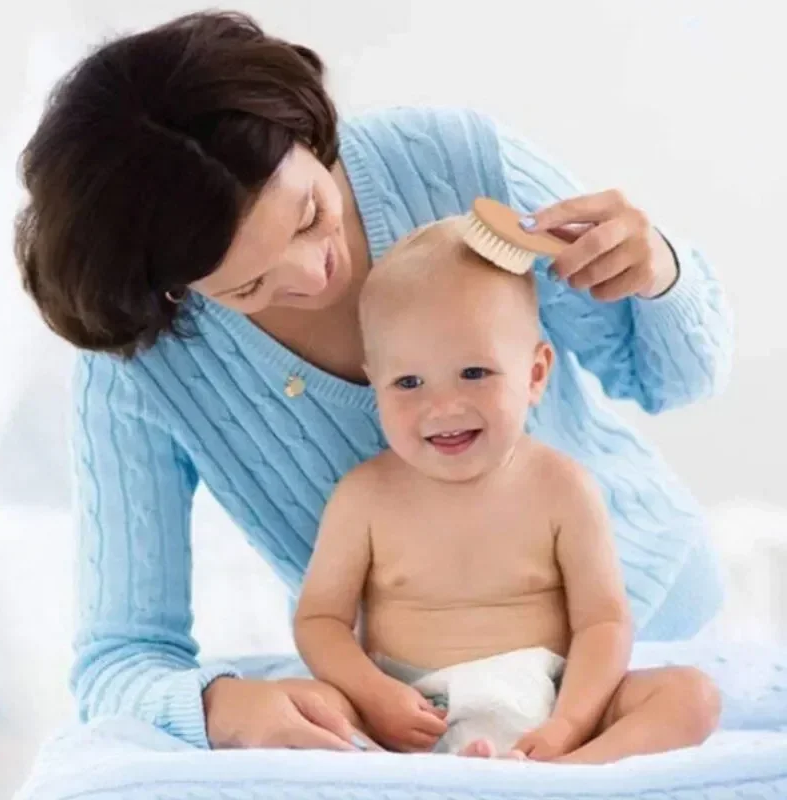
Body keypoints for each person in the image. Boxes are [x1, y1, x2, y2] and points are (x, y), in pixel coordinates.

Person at [12, 10, 732, 753]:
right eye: (247, 286)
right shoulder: (141, 364)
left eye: (308, 215)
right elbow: (118, 657)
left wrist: (659, 272)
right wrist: (221, 707)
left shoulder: (451, 164)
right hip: (428, 713)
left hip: (655, 638)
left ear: (306, 128)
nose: (313, 275)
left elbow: (673, 379)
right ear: (172, 290)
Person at [294, 217, 720, 762]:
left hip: (547, 704)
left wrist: (569, 723)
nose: (442, 407)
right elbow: (320, 621)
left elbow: (603, 621)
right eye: (408, 383)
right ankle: (413, 772)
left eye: (474, 372)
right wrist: (375, 696)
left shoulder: (561, 487)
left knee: (691, 697)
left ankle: (567, 772)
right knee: (300, 705)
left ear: (535, 373)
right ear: (374, 382)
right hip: (410, 713)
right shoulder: (363, 497)